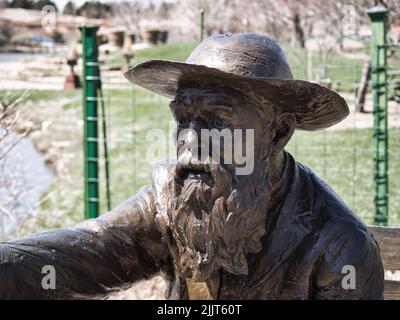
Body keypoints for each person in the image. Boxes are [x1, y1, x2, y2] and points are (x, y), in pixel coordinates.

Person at [0, 33, 384, 299]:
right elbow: (86, 253)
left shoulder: (337, 247)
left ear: (279, 133)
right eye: (183, 118)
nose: (190, 140)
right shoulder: (172, 200)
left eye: (217, 120)